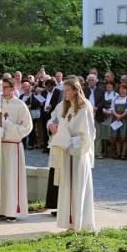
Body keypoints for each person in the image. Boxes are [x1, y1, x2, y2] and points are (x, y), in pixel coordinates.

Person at [54, 79, 96, 232]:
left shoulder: (84, 108)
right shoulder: (69, 107)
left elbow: (89, 134)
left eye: (67, 91)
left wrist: (71, 141)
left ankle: (81, 223)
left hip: (78, 154)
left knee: (79, 188)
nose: (64, 93)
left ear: (75, 90)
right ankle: (71, 223)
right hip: (67, 152)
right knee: (69, 188)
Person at [0, 78, 32, 221]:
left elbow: (27, 127)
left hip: (13, 147)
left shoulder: (20, 106)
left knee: (11, 179)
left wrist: (9, 127)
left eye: (6, 87)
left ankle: (12, 211)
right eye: (3, 87)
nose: (4, 90)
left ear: (13, 89)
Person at [110, 84, 127, 160]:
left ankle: (123, 154)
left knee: (124, 137)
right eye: (121, 89)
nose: (122, 90)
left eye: (124, 89)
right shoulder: (115, 98)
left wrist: (121, 116)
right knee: (117, 137)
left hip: (125, 119)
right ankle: (118, 153)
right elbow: (112, 108)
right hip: (116, 119)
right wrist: (117, 115)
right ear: (118, 90)